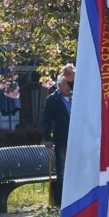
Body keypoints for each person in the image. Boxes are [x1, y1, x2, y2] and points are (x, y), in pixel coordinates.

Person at [42, 73, 72, 207]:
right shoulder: (52, 100)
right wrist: (47, 137)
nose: (69, 87)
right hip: (62, 138)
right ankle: (61, 202)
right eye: (66, 84)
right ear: (60, 85)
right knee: (62, 170)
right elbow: (46, 120)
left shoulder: (76, 97)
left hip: (77, 139)